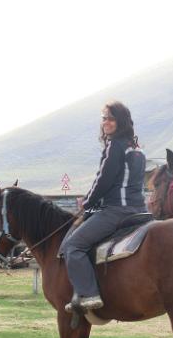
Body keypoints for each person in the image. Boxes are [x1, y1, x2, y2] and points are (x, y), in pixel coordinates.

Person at [60, 101, 148, 311]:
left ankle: (89, 295)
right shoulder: (137, 149)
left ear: (121, 122)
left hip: (116, 211)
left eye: (111, 118)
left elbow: (104, 180)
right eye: (104, 118)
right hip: (140, 211)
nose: (106, 122)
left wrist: (87, 203)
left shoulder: (115, 146)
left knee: (73, 246)